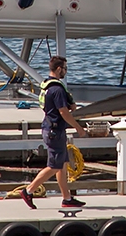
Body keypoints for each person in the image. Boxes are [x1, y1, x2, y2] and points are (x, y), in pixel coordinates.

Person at [20, 55, 86, 209]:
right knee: (54, 166)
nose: (65, 71)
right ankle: (28, 191)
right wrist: (78, 128)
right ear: (58, 69)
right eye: (65, 68)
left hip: (51, 128)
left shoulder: (47, 86)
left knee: (62, 165)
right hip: (54, 131)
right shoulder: (57, 89)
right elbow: (63, 112)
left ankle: (67, 198)